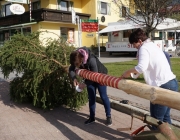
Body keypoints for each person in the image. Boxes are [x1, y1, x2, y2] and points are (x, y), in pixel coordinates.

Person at [121, 28, 178, 129]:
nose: (134, 47)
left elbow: (141, 67)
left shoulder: (144, 48)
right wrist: (132, 76)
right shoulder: (152, 45)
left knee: (156, 120)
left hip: (162, 87)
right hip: (172, 83)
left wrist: (127, 72)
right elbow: (145, 67)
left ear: (139, 41)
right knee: (165, 118)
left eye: (134, 44)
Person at [69, 46, 112, 126]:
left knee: (103, 96)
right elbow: (71, 69)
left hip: (101, 76)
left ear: (82, 60)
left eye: (79, 65)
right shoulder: (76, 56)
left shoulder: (91, 59)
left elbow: (94, 76)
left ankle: (108, 116)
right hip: (89, 77)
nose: (78, 67)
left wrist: (84, 84)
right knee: (91, 97)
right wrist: (74, 79)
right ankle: (92, 117)